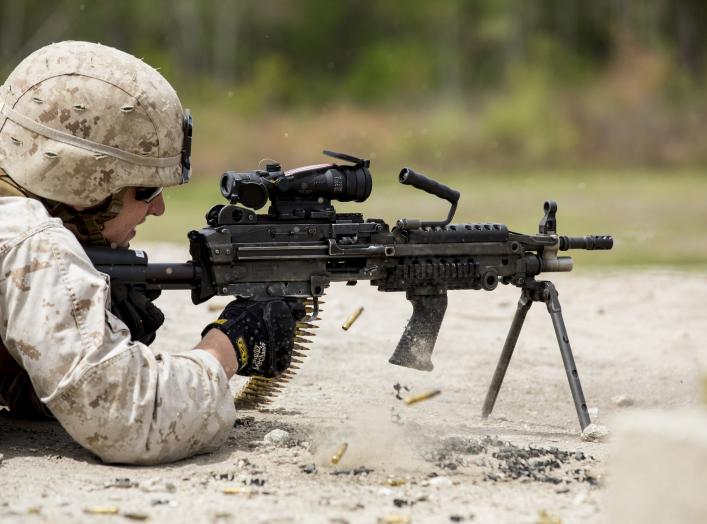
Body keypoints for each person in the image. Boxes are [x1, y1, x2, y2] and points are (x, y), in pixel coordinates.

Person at [0, 41, 301, 464]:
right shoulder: (28, 239)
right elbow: (127, 420)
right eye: (147, 190)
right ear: (85, 185)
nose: (157, 208)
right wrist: (228, 347)